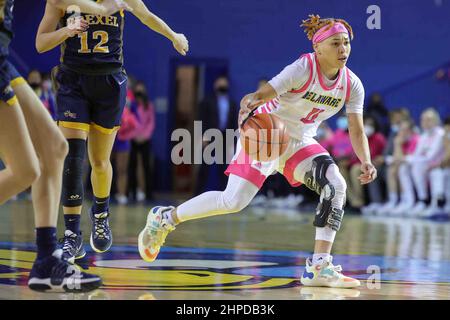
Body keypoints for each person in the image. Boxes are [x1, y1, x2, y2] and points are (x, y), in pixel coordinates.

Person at [138, 14, 377, 288]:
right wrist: (248, 103)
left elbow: (356, 130)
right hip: (265, 134)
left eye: (346, 43)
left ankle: (319, 266)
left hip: (299, 141)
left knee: (336, 185)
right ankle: (164, 218)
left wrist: (366, 160)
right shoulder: (303, 68)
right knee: (233, 202)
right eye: (336, 43)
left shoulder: (352, 84)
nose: (343, 49)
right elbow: (262, 94)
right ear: (318, 48)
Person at [35, 0, 188, 263]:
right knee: (73, 157)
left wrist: (173, 36)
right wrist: (66, 31)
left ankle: (101, 216)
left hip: (109, 82)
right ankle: (72, 234)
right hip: (73, 81)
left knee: (100, 162)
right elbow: (41, 43)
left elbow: (146, 16)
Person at [0, 0, 131, 293]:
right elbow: (48, 28)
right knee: (30, 168)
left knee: (54, 149)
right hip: (60, 75)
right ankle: (56, 247)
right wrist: (93, 14)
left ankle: (46, 260)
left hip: (3, 60)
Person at [390, 108, 444, 216]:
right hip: (426, 165)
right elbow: (417, 154)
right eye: (423, 120)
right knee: (404, 168)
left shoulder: (440, 134)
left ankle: (433, 203)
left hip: (439, 166)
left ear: (436, 121)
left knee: (420, 168)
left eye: (429, 120)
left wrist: (407, 158)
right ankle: (413, 201)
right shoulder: (423, 136)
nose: (425, 123)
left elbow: (430, 156)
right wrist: (407, 159)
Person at [372, 118, 419, 216]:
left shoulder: (415, 139)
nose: (402, 132)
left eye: (405, 130)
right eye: (401, 130)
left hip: (417, 168)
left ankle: (406, 200)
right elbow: (397, 158)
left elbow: (402, 159)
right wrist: (398, 144)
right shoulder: (402, 140)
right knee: (392, 169)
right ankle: (393, 201)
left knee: (400, 169)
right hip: (405, 166)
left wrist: (397, 144)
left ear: (411, 130)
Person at [128, 81, 156, 203]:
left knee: (146, 166)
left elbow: (151, 123)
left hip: (145, 139)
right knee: (132, 166)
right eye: (137, 90)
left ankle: (148, 192)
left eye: (141, 90)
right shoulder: (131, 106)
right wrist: (134, 135)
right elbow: (128, 120)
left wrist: (144, 135)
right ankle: (133, 192)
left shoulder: (148, 105)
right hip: (133, 139)